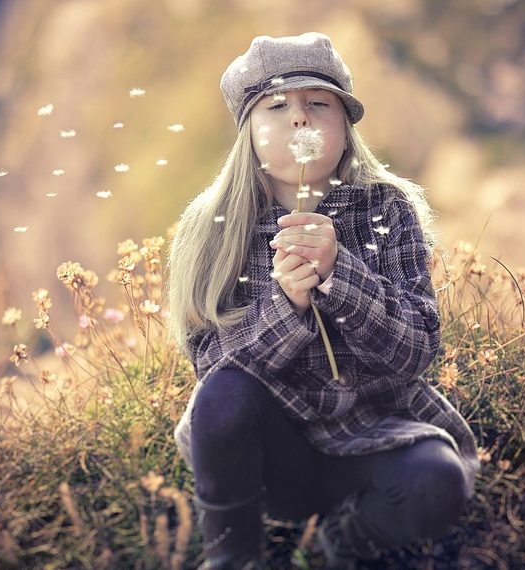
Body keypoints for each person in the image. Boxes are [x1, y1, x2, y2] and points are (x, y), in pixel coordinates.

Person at [164, 32, 481, 569]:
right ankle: (233, 557)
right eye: (276, 106)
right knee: (225, 394)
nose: (299, 119)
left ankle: (342, 543)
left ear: (345, 125)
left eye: (318, 104)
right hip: (275, 453)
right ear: (247, 130)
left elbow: (417, 351)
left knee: (438, 482)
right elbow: (214, 376)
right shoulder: (216, 226)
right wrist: (287, 306)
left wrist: (342, 276)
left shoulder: (387, 208)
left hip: (377, 431)